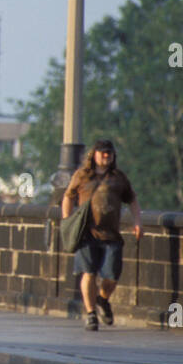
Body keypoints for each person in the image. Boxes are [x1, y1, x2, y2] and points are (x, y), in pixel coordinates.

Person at [62, 139, 141, 331]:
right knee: (88, 273)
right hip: (86, 233)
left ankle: (102, 299)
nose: (106, 156)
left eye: (109, 153)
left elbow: (132, 199)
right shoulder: (82, 176)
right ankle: (91, 314)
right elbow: (69, 196)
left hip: (111, 234)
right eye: (103, 153)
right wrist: (67, 220)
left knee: (111, 276)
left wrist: (137, 222)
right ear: (94, 155)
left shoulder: (118, 178)